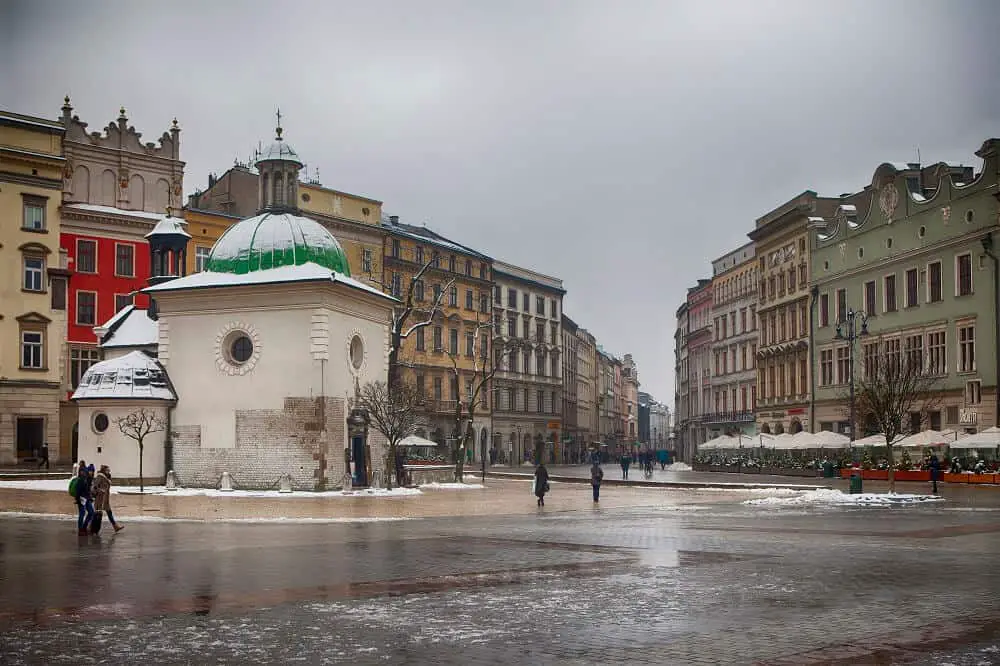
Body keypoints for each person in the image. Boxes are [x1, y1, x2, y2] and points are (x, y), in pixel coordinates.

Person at [92, 465, 124, 533]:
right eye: (107, 470)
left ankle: (115, 526)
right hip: (100, 499)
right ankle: (91, 527)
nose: (109, 471)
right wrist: (100, 490)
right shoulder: (100, 476)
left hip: (106, 499)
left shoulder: (107, 477)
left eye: (109, 470)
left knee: (109, 512)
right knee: (97, 514)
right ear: (104, 470)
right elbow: (94, 486)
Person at [74, 463, 94, 536]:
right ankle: (80, 530)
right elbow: (78, 491)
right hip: (81, 499)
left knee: (91, 512)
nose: (91, 472)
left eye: (92, 471)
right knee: (82, 514)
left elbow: (88, 490)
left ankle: (84, 527)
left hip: (87, 498)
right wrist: (78, 499)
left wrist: (90, 497)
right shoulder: (80, 480)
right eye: (90, 471)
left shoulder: (88, 479)